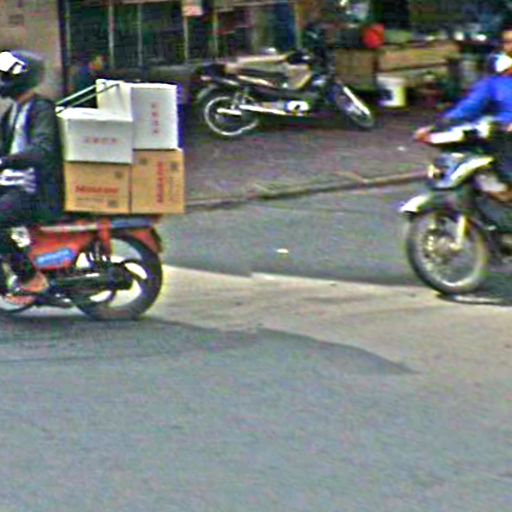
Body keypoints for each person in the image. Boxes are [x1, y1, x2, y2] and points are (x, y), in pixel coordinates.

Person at [415, 26, 512, 201]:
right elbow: (468, 108)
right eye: (507, 42)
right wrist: (437, 127)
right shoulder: (494, 82)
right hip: (498, 130)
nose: (510, 47)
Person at [0, 50, 63, 303]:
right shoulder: (14, 110)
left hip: (31, 190)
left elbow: (42, 150)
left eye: (5, 76)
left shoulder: (41, 109)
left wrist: (6, 161)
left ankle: (30, 277)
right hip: (10, 184)